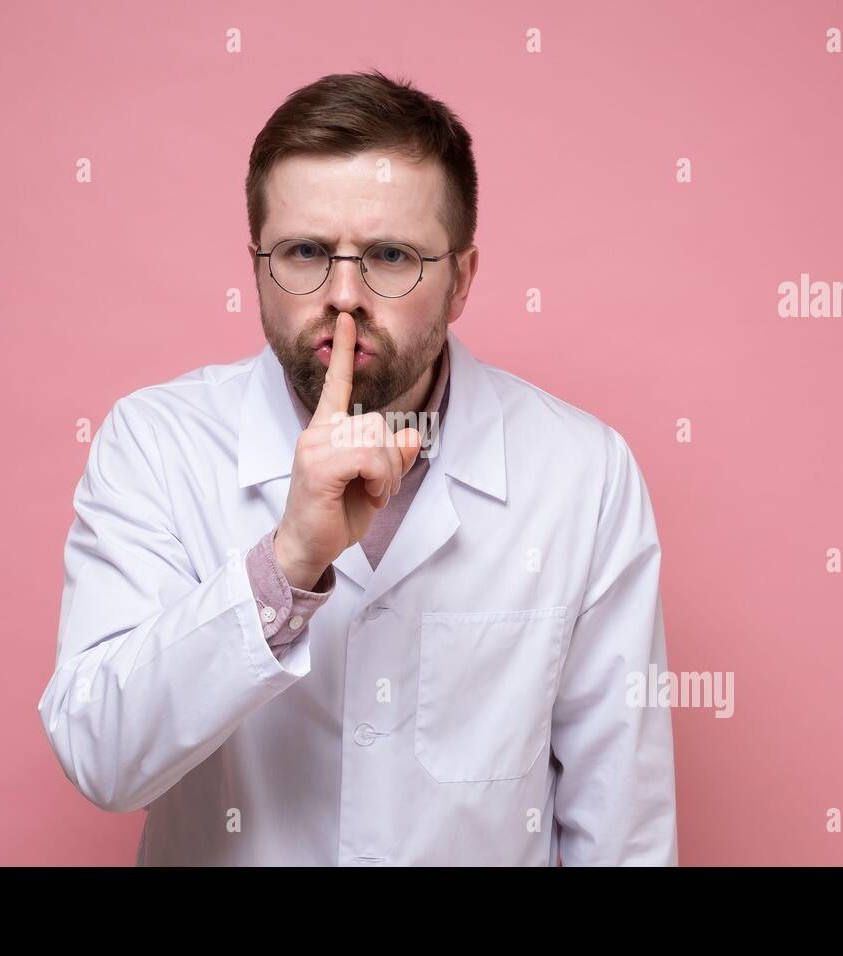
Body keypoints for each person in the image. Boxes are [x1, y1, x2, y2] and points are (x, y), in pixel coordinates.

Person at [37, 69, 677, 865]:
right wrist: (287, 566)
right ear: (256, 265)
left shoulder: (583, 473)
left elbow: (620, 825)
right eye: (304, 252)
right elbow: (102, 757)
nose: (344, 295)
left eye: (389, 255)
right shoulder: (156, 444)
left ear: (462, 281)